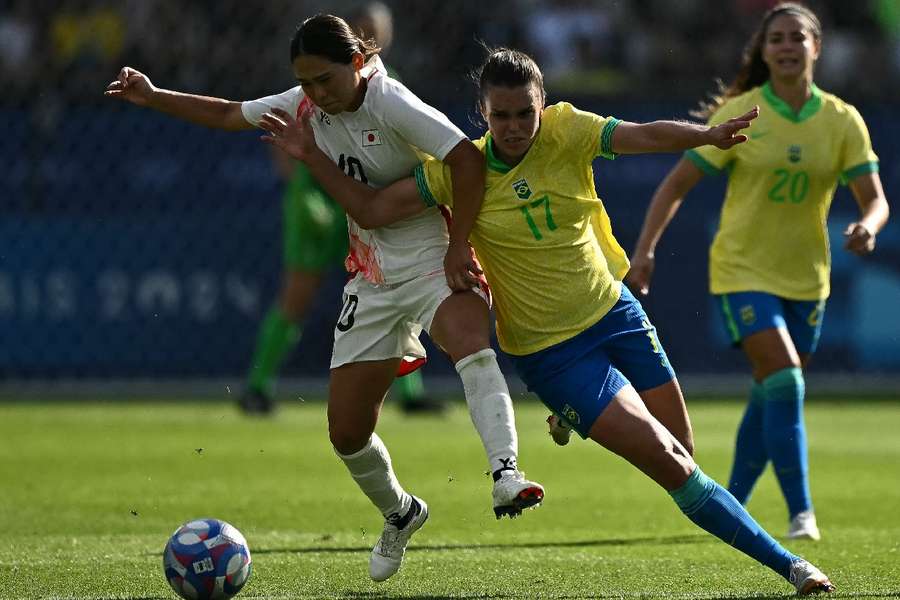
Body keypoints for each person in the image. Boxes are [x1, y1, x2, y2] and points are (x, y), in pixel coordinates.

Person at [260, 46, 835, 595]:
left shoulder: (567, 129)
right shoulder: (461, 170)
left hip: (615, 312)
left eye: (524, 113)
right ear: (482, 115)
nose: (514, 126)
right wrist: (311, 155)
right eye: (500, 116)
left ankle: (570, 419)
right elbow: (370, 209)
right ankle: (793, 567)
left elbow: (642, 136)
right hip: (552, 354)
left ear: (544, 104)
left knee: (683, 445)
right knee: (672, 464)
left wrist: (706, 135)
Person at [105, 14, 545, 583]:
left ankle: (505, 473)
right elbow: (226, 113)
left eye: (325, 81)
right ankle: (401, 513)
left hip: (433, 250)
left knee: (469, 344)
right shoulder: (305, 103)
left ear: (357, 64)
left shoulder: (390, 102)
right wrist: (154, 95)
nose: (315, 94)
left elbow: (464, 158)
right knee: (346, 432)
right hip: (371, 273)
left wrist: (460, 245)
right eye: (305, 82)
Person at [627, 2, 890, 543]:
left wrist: (868, 225)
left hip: (808, 278)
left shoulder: (842, 120)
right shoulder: (743, 112)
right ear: (763, 51)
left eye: (797, 37)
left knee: (771, 389)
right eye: (776, 39)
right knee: (787, 379)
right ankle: (802, 514)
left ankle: (733, 502)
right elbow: (677, 182)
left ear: (816, 47)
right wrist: (646, 248)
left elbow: (876, 200)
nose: (787, 46)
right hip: (742, 269)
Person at [239, 3, 444, 416]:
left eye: (376, 31)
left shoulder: (391, 89)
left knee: (397, 290)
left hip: (371, 206)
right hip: (317, 200)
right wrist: (306, 193)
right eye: (362, 29)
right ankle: (256, 386)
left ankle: (409, 394)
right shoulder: (319, 87)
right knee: (297, 296)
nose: (370, 37)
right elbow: (282, 140)